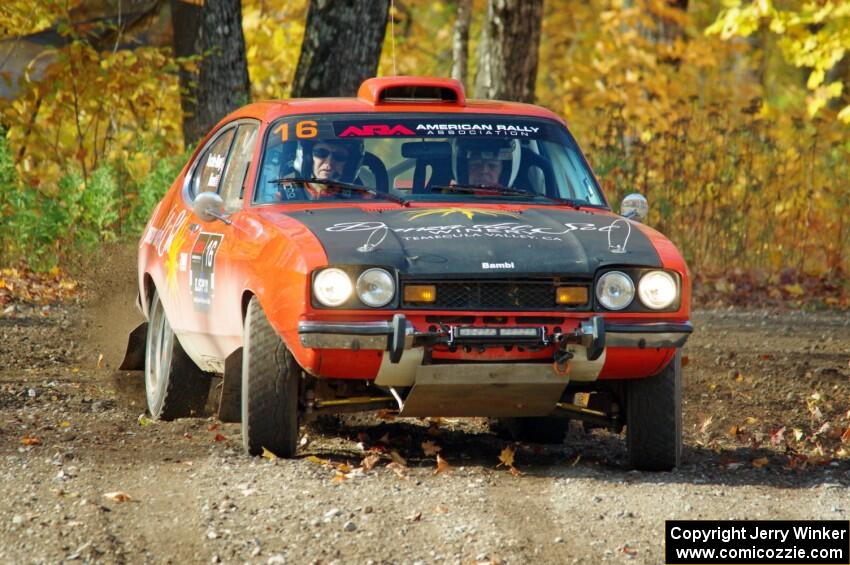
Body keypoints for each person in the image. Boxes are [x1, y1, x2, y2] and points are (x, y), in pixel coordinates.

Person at [291, 138, 365, 199]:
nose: (329, 163)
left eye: (339, 156)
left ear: (348, 164)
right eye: (321, 153)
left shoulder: (364, 199)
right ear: (308, 158)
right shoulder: (283, 197)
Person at [452, 138, 520, 188]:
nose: (484, 170)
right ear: (464, 169)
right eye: (476, 164)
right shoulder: (448, 197)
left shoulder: (517, 200)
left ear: (502, 172)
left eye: (492, 165)